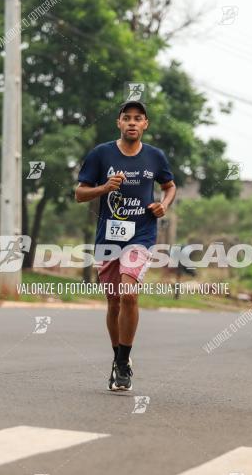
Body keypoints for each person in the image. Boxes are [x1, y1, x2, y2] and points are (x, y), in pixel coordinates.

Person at [75, 100, 176, 391]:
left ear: (146, 125)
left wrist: (164, 205)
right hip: (108, 237)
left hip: (141, 235)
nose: (132, 123)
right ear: (118, 123)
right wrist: (104, 188)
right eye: (127, 118)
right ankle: (119, 358)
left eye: (138, 118)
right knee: (114, 301)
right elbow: (79, 193)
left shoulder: (155, 157)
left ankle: (123, 362)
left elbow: (169, 185)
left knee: (129, 293)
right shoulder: (101, 154)